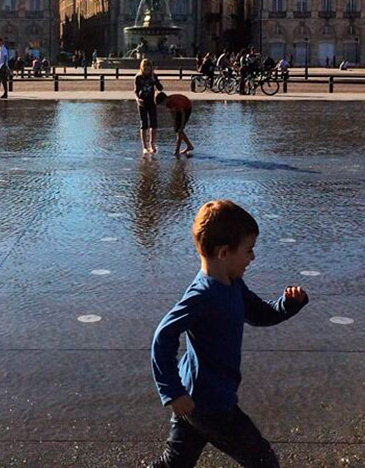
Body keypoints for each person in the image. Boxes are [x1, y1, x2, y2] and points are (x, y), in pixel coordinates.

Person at [149, 200, 309, 468]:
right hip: (209, 403)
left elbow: (259, 314)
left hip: (195, 398)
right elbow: (163, 334)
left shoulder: (233, 284)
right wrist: (172, 391)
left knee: (175, 462)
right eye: (249, 250)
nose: (253, 258)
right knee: (262, 460)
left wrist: (288, 304)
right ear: (224, 253)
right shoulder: (203, 295)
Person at [135, 58, 163, 154]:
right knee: (144, 124)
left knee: (153, 123)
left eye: (148, 69)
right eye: (145, 69)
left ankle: (152, 144)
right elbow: (135, 91)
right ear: (142, 68)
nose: (147, 71)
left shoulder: (153, 76)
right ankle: (144, 146)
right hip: (142, 102)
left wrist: (155, 81)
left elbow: (160, 88)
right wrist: (137, 99)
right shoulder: (138, 77)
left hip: (152, 102)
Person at [156, 92, 194, 156]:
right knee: (177, 129)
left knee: (179, 131)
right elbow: (172, 112)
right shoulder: (167, 103)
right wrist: (174, 122)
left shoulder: (176, 102)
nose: (162, 105)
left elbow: (182, 114)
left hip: (186, 108)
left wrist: (182, 125)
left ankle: (177, 150)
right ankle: (189, 146)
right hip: (179, 109)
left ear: (165, 100)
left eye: (162, 103)